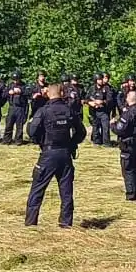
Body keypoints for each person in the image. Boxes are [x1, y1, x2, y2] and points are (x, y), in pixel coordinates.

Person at [24, 84, 83, 227]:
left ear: (48, 94)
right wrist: (71, 143)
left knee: (37, 188)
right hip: (65, 154)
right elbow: (81, 132)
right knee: (66, 190)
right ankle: (66, 223)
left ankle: (31, 223)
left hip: (48, 154)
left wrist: (40, 142)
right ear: (62, 93)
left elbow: (31, 131)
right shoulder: (69, 110)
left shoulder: (43, 111)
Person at [115, 89, 136, 201]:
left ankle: (131, 195)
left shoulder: (128, 113)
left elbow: (119, 129)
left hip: (128, 145)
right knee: (135, 169)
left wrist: (112, 124)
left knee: (128, 170)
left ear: (128, 99)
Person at [87, 74, 116, 148]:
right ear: (96, 80)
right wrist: (90, 102)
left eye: (101, 79)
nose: (101, 81)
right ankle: (96, 142)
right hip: (94, 111)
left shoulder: (107, 88)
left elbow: (110, 99)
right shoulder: (92, 88)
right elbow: (86, 98)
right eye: (99, 79)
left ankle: (106, 143)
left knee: (105, 128)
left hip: (104, 111)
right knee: (95, 128)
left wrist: (102, 101)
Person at [4, 74, 29, 144]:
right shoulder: (10, 85)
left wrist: (21, 91)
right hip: (12, 107)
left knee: (19, 126)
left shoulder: (24, 85)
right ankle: (7, 140)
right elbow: (4, 94)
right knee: (9, 124)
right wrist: (9, 92)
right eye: (14, 80)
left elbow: (29, 93)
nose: (15, 81)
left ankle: (18, 140)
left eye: (17, 79)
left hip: (20, 108)